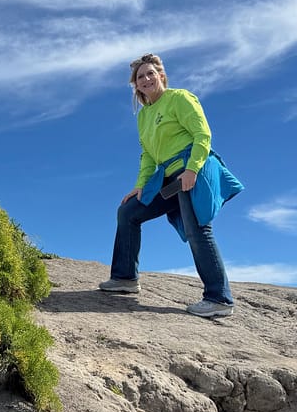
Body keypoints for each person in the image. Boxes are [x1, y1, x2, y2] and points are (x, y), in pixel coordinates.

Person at [99, 53, 236, 318]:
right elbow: (148, 155)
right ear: (136, 85)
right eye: (140, 77)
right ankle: (125, 279)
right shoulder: (143, 116)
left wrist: (192, 169)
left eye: (151, 73)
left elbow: (202, 134)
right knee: (128, 212)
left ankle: (219, 298)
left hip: (191, 171)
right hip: (166, 179)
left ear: (161, 75)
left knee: (198, 230)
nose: (146, 79)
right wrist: (140, 186)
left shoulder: (180, 98)